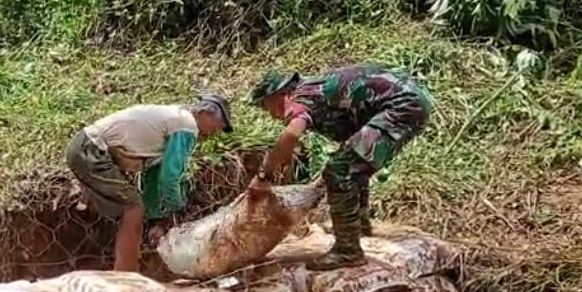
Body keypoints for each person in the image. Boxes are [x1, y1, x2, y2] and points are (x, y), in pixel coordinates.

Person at [248, 64, 432, 270]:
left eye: (266, 107)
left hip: (400, 105)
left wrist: (264, 176)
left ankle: (348, 251)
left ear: (279, 95)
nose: (270, 115)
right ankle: (358, 226)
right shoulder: (314, 90)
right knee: (351, 165)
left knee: (339, 170)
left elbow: (291, 134)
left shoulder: (300, 98)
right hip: (408, 100)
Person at [66, 93, 232, 272]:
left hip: (84, 146)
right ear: (205, 112)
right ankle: (126, 274)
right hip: (91, 150)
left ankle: (125, 258)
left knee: (131, 210)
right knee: (133, 209)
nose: (215, 133)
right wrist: (179, 209)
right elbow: (170, 178)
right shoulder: (187, 125)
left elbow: (153, 176)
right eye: (219, 125)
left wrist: (155, 218)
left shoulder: (172, 122)